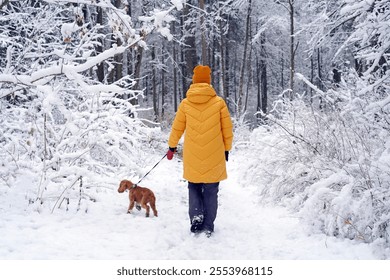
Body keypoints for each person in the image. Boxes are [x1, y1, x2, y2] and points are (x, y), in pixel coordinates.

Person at [167, 65, 233, 237]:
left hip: (193, 155)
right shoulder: (219, 103)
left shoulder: (185, 103)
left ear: (194, 81)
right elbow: (227, 129)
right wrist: (227, 148)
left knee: (194, 186)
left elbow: (177, 128)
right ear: (209, 81)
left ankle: (196, 217)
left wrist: (171, 146)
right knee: (211, 190)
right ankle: (209, 224)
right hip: (214, 154)